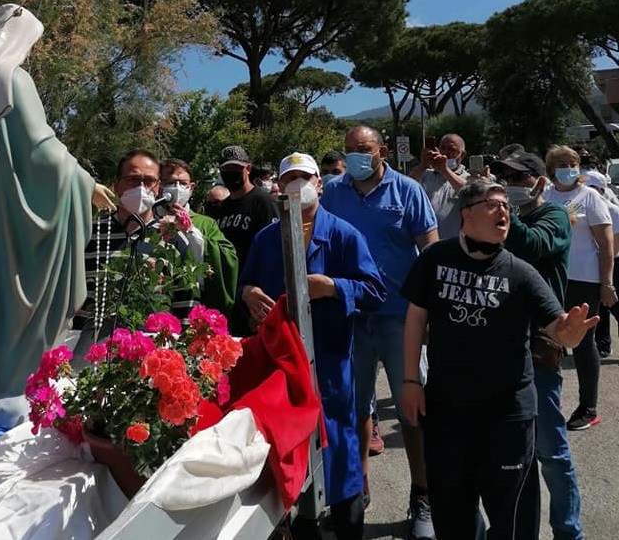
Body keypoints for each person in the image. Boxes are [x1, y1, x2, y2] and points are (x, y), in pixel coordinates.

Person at [0, 4, 115, 427]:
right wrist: (85, 183)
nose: (27, 53)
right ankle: (11, 389)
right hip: (10, 230)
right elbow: (42, 153)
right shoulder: (13, 78)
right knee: (14, 304)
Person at [401, 180, 599, 540]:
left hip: (508, 416)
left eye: (506, 205)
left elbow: (555, 323)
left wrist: (568, 333)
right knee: (452, 514)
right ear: (466, 214)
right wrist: (411, 381)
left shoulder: (521, 272)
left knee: (512, 520)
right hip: (447, 411)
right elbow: (415, 318)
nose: (504, 211)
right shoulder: (436, 258)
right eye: (492, 204)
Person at [238, 152, 387, 540]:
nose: (297, 185)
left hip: (331, 364)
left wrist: (336, 287)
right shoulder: (265, 238)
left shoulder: (343, 235)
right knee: (288, 452)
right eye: (290, 179)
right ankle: (300, 526)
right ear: (279, 188)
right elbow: (246, 284)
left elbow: (375, 291)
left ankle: (348, 524)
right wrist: (249, 293)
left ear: (320, 184)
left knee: (337, 451)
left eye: (305, 178)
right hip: (280, 366)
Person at [320, 125, 438, 540]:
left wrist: (429, 315)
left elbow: (431, 251)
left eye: (363, 149)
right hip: (350, 316)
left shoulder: (407, 191)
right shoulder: (332, 191)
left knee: (412, 409)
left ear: (381, 151)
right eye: (349, 150)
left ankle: (422, 495)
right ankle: (356, 490)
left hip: (399, 318)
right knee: (353, 410)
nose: (354, 156)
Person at [491, 152, 584, 540]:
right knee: (510, 455)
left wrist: (500, 216)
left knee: (550, 449)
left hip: (541, 344)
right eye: (503, 176)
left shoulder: (555, 216)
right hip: (500, 343)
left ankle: (568, 531)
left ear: (540, 182)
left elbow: (533, 245)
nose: (509, 182)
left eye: (518, 176)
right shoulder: (497, 223)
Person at [83, 149, 204, 322]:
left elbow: (186, 306)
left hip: (150, 343)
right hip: (90, 340)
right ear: (116, 185)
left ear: (158, 188)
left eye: (149, 181)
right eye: (133, 179)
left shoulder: (173, 240)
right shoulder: (88, 235)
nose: (141, 188)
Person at [545, 145, 617, 430]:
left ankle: (588, 407)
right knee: (551, 340)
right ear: (551, 169)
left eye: (571, 162)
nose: (567, 167)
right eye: (561, 163)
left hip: (584, 280)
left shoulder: (590, 198)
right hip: (552, 279)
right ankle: (551, 400)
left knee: (584, 345)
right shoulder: (546, 195)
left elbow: (607, 245)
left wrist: (607, 283)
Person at [160, 158, 238, 315]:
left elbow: (229, 259)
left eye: (183, 184)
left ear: (191, 188)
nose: (177, 188)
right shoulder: (148, 221)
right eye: (170, 182)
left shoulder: (206, 224)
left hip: (193, 307)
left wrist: (192, 231)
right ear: (159, 186)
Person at [213, 145, 278, 271]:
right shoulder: (222, 207)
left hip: (253, 282)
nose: (231, 172)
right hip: (230, 281)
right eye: (227, 168)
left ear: (247, 169)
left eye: (236, 168)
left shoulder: (263, 201)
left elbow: (272, 245)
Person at [583, 170, 619, 358]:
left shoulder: (613, 211)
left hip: (614, 263)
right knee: (599, 309)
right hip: (592, 262)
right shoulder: (579, 209)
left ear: (601, 189)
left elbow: (614, 246)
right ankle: (602, 344)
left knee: (614, 304)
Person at [410, 133, 469, 240]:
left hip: (455, 244)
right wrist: (422, 165)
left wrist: (445, 170)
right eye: (442, 148)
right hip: (426, 243)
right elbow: (405, 188)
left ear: (462, 155)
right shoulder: (425, 174)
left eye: (452, 150)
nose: (446, 153)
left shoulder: (468, 178)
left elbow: (469, 192)